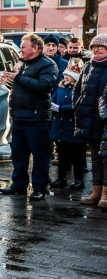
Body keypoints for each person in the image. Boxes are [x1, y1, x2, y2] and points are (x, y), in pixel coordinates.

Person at [0, 33, 58, 201]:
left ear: (35, 48)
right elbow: (20, 84)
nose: (21, 50)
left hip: (37, 118)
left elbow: (44, 86)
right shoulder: (22, 63)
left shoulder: (47, 65)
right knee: (18, 154)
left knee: (40, 155)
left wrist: (18, 77)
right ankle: (18, 185)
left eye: (24, 47)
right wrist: (8, 79)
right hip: (18, 117)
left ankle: (39, 188)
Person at [73, 33, 107, 206]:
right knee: (94, 156)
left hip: (105, 120)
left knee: (106, 157)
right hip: (88, 118)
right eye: (94, 46)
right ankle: (96, 192)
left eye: (100, 46)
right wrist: (76, 105)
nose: (96, 49)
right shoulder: (88, 66)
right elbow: (77, 89)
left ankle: (105, 195)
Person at [50, 60, 85, 191]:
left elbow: (76, 106)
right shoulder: (60, 89)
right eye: (65, 75)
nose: (66, 77)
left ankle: (79, 180)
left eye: (69, 75)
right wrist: (53, 106)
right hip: (61, 126)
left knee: (77, 156)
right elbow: (52, 100)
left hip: (74, 126)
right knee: (62, 154)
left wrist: (60, 108)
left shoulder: (79, 90)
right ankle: (61, 178)